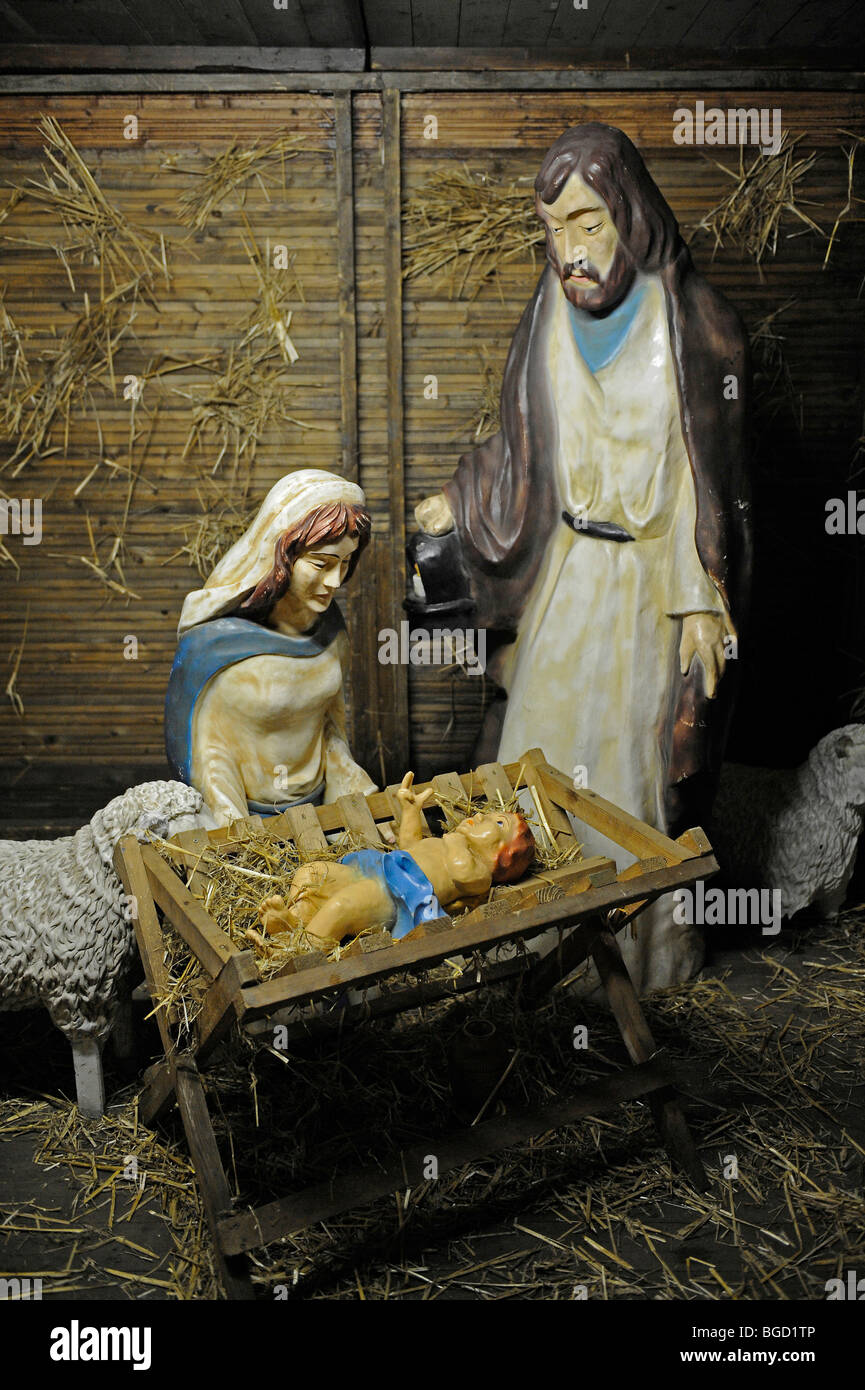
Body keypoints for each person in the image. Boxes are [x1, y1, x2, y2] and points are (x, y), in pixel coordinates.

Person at [414, 124, 751, 991]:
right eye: (553, 228)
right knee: (536, 758)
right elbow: (527, 456)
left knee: (629, 780)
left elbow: (703, 492)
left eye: (586, 223)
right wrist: (463, 498)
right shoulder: (548, 316)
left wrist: (703, 603)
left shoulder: (695, 329)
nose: (568, 250)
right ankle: (535, 962)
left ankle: (634, 972)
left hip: (644, 591)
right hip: (566, 579)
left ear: (629, 215)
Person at [165, 470, 376, 826]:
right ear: (281, 556)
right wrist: (242, 839)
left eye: (345, 563)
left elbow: (329, 728)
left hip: (323, 816)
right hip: (246, 823)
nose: (336, 581)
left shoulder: (331, 629)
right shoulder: (214, 649)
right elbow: (207, 758)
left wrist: (353, 793)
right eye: (321, 564)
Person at [257, 771, 536, 945]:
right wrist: (411, 810)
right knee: (312, 874)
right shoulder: (443, 844)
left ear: (503, 856)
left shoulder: (479, 874)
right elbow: (410, 845)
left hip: (392, 896)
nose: (478, 816)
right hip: (375, 869)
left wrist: (456, 839)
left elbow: (461, 872)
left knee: (342, 906)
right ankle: (293, 924)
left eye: (497, 823)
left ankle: (302, 949)